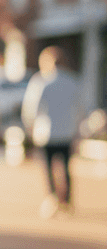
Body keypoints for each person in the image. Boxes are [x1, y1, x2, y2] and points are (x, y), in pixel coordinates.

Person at [21, 47, 84, 218]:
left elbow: (31, 110)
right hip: (67, 132)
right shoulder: (72, 81)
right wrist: (78, 132)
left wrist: (30, 129)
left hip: (46, 133)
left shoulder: (41, 82)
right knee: (66, 168)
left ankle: (52, 198)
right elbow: (80, 110)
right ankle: (67, 202)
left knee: (49, 168)